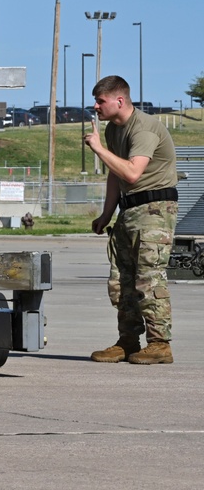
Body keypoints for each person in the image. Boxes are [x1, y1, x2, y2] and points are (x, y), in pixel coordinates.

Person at [84, 75, 178, 364]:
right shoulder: (115, 130)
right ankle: (127, 341)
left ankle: (160, 344)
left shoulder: (145, 128)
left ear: (119, 101)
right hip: (129, 211)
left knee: (148, 278)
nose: (96, 107)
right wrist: (107, 213)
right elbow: (116, 172)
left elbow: (133, 173)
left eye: (101, 101)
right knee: (122, 280)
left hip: (154, 210)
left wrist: (98, 149)